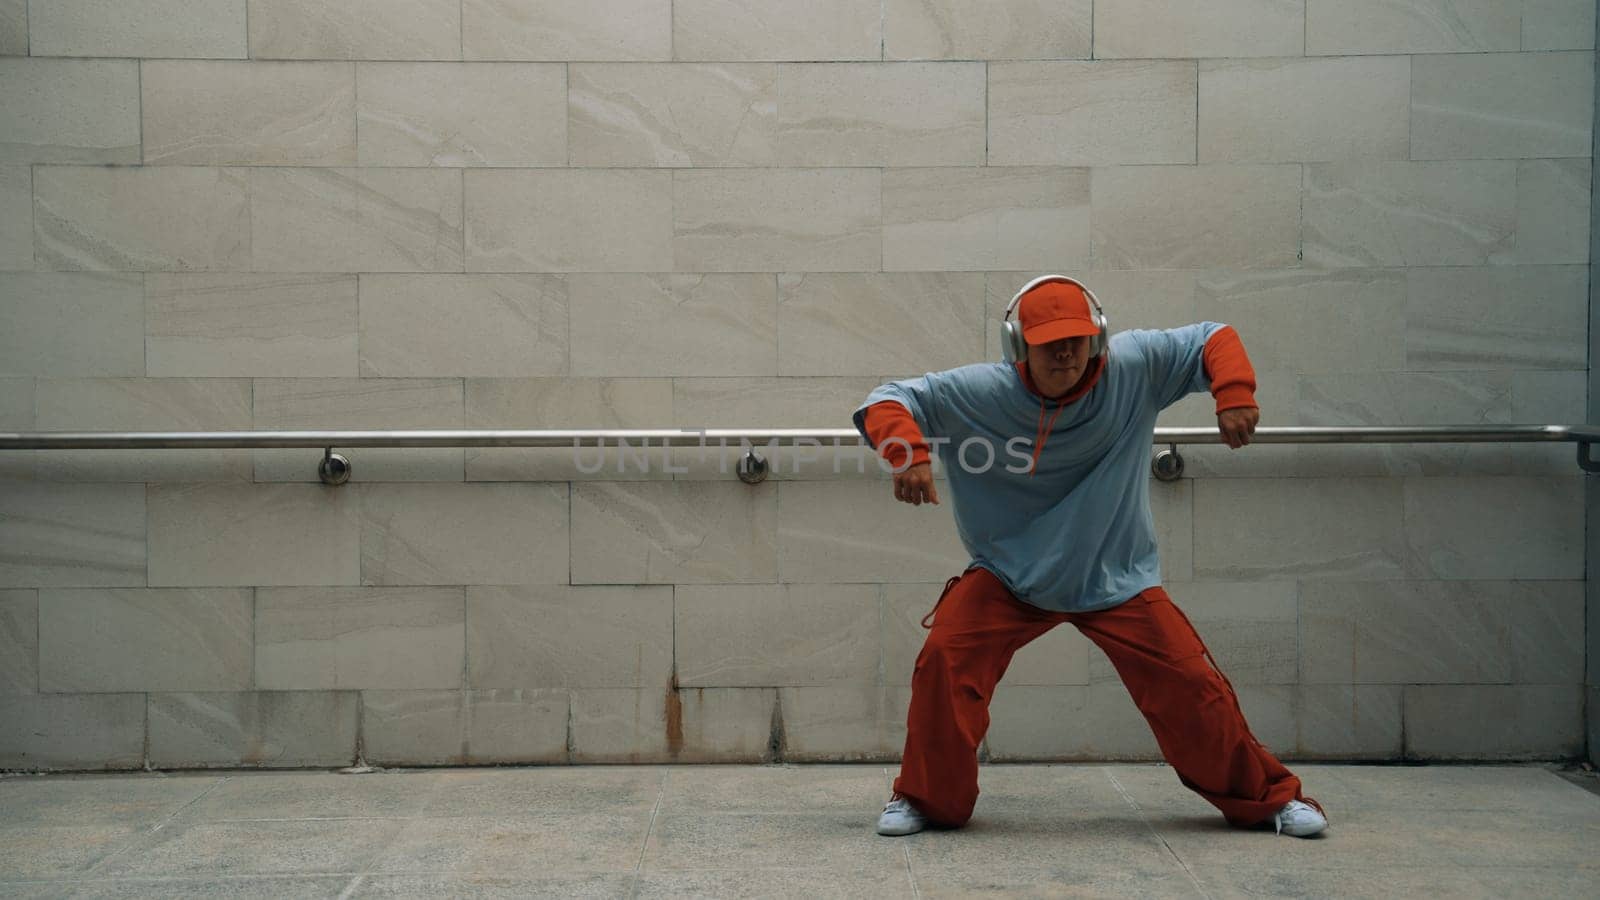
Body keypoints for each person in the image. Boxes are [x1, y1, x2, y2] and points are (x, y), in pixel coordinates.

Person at [852, 275, 1327, 839]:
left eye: (1076, 339)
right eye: (1048, 341)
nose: (1064, 353)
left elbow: (1212, 337)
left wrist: (1235, 392)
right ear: (1017, 345)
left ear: (1098, 336)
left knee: (1192, 685)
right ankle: (928, 802)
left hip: (1114, 574)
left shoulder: (1136, 367)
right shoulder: (980, 392)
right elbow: (887, 398)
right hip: (1010, 575)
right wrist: (906, 450)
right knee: (944, 661)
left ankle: (1270, 800)